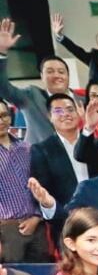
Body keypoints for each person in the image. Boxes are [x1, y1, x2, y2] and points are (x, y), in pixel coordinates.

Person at [29, 94, 92, 241]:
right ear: (49, 117)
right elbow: (44, 191)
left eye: (70, 109)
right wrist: (64, 215)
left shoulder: (94, 142)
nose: (65, 114)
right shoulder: (41, 150)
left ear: (79, 113)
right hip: (66, 222)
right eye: (58, 111)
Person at [0, 20, 72, 145]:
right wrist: (1, 53)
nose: (56, 75)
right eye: (50, 71)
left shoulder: (83, 100)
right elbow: (3, 87)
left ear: (68, 76)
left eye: (61, 71)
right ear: (42, 76)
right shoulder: (31, 96)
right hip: (39, 155)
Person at [0, 103, 47, 264]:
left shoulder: (27, 148)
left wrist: (37, 216)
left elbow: (43, 184)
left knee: (43, 273)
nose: (1, 121)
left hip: (37, 225)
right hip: (6, 229)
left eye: (4, 115)